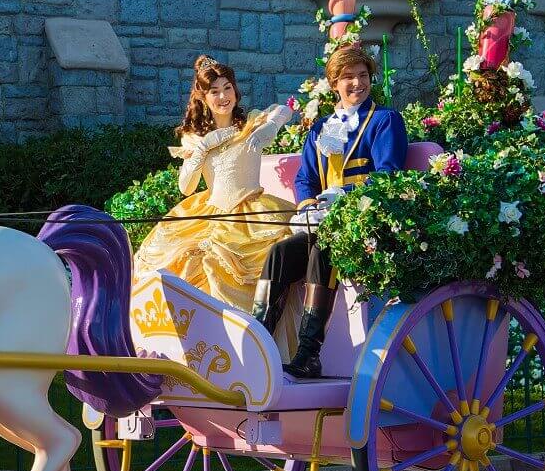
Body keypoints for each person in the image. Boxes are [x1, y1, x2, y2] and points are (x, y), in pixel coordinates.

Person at [253, 43, 407, 380]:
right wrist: (308, 206)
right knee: (279, 253)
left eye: (363, 76)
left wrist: (344, 194)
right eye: (348, 77)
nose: (357, 83)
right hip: (322, 221)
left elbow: (388, 177)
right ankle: (257, 349)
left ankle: (309, 354)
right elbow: (306, 177)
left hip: (362, 224)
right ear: (334, 83)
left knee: (323, 250)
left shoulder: (384, 121)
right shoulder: (325, 128)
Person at [133, 55, 295, 312]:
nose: (223, 97)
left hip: (252, 213)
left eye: (227, 88)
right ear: (203, 98)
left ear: (235, 90)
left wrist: (271, 126)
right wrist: (203, 148)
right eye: (214, 91)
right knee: (198, 260)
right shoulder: (195, 138)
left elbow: (286, 108)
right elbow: (185, 188)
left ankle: (255, 334)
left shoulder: (251, 123)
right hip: (210, 214)